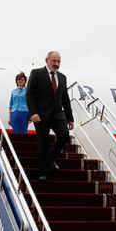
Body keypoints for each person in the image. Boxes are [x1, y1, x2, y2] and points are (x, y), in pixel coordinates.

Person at [25, 51, 74, 182]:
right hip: (40, 115)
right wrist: (33, 113)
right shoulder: (36, 73)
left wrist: (70, 118)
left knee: (64, 135)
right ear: (47, 60)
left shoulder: (62, 77)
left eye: (58, 61)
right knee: (43, 143)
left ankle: (50, 159)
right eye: (54, 61)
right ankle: (42, 172)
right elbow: (29, 94)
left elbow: (65, 99)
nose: (56, 64)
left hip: (58, 114)